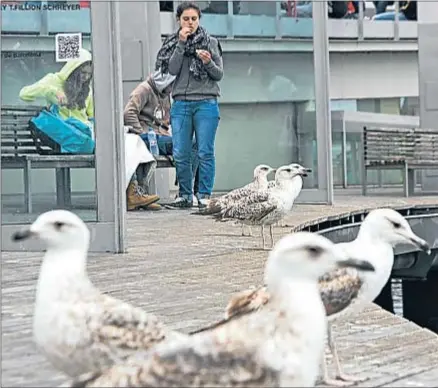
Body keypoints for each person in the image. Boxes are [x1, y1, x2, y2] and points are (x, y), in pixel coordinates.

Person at [155, 1, 223, 209]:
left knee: (205, 151)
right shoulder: (172, 43)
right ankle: (185, 195)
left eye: (194, 19)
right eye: (186, 19)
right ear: (178, 20)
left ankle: (204, 194)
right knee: (181, 152)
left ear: (199, 20)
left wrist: (208, 62)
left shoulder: (210, 41)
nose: (190, 23)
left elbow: (218, 74)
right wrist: (181, 44)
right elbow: (172, 70)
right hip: (182, 104)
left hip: (206, 103)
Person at [123, 69, 177, 211]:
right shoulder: (144, 90)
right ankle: (136, 195)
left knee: (191, 145)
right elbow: (128, 113)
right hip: (148, 135)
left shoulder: (165, 95)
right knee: (184, 146)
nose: (171, 89)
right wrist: (141, 133)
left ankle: (187, 191)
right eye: (170, 85)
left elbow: (166, 119)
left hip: (161, 135)